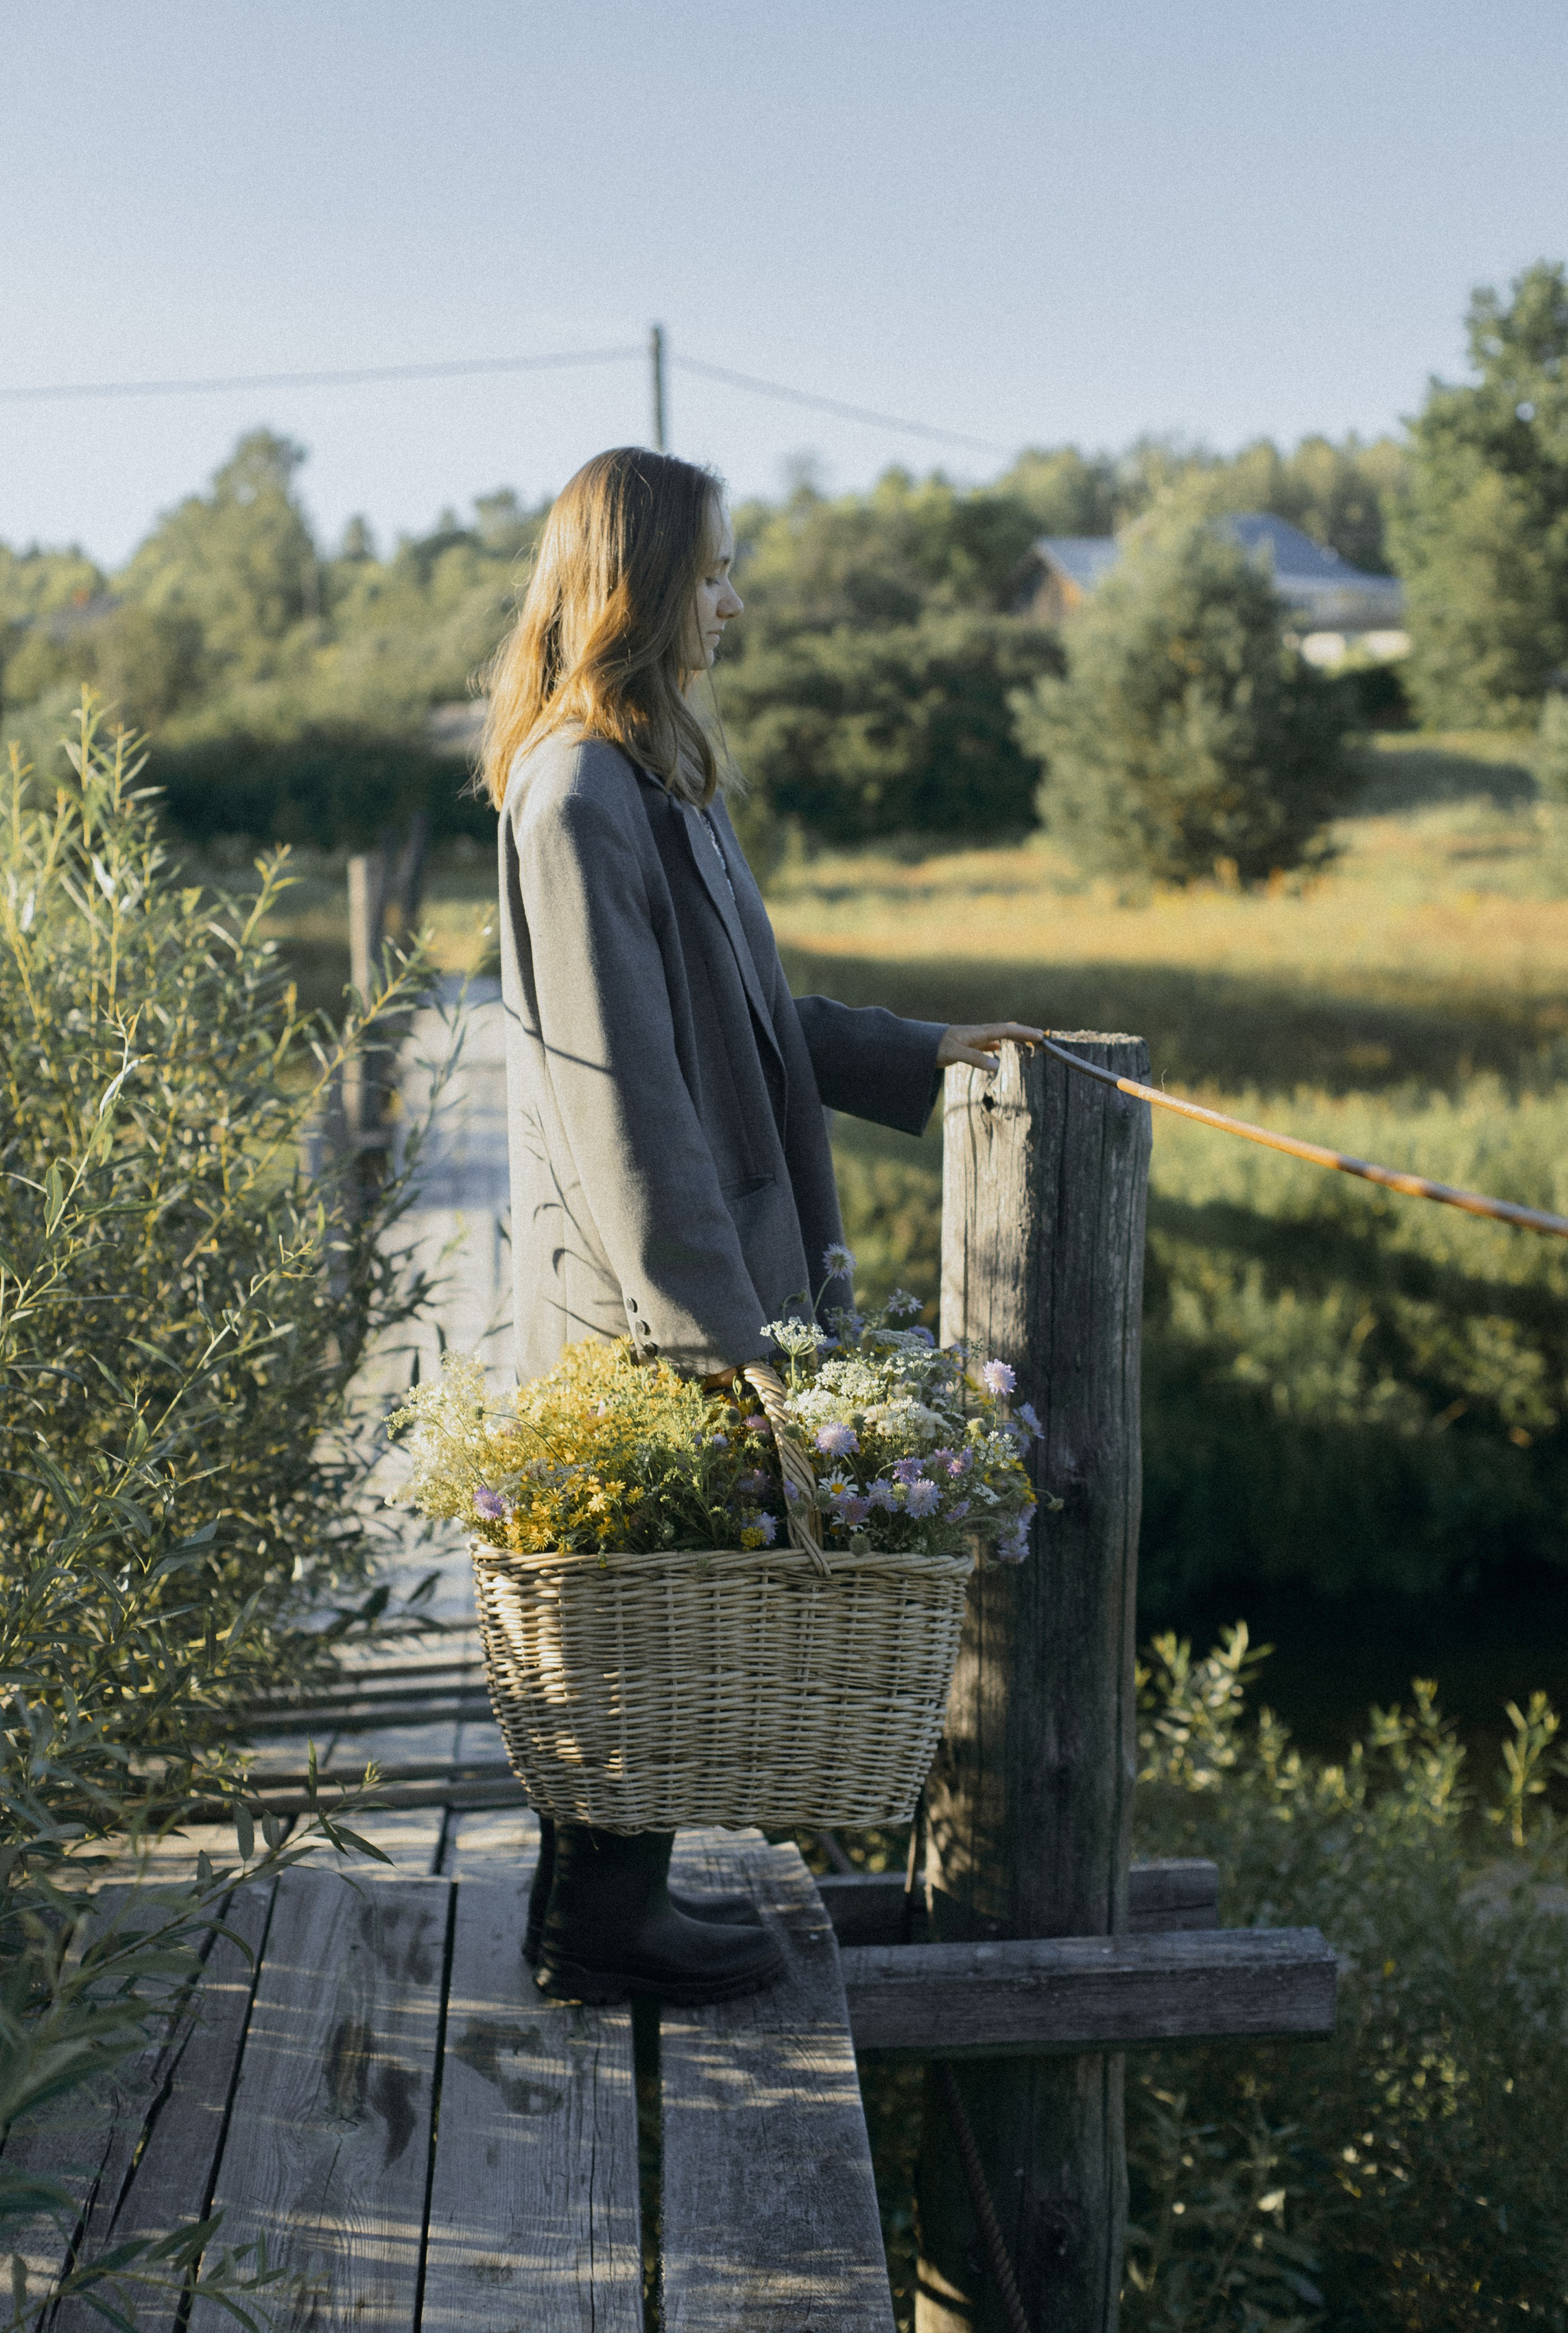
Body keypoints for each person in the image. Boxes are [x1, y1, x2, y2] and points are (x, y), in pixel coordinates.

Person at [481, 447, 1042, 2006]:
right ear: (641, 586)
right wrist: (717, 1344)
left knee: (653, 1586)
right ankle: (595, 1933)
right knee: (635, 1599)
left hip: (677, 1269)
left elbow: (738, 1018)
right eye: (714, 571)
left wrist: (910, 1049)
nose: (734, 600)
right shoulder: (578, 789)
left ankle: (605, 1913)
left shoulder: (651, 775)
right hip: (639, 1282)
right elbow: (622, 1091)